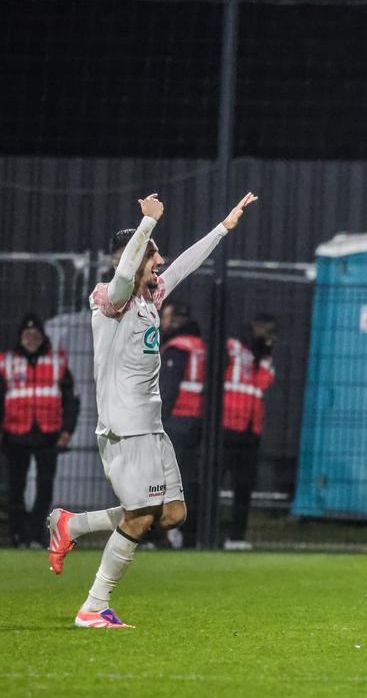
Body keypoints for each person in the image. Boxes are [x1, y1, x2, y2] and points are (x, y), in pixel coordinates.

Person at [44, 191, 257, 628]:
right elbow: (124, 276)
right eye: (153, 256)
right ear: (136, 256)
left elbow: (183, 266)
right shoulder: (110, 297)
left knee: (173, 515)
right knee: (141, 516)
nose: (160, 263)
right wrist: (146, 225)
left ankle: (72, 525)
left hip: (152, 426)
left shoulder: (149, 299)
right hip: (124, 427)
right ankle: (93, 607)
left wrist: (223, 226)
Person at [1, 313, 79, 547]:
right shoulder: (7, 361)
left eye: (36, 334)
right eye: (27, 334)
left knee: (45, 488)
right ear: (20, 336)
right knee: (16, 487)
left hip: (48, 433)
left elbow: (70, 400)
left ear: (43, 337)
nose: (31, 338)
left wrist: (67, 430)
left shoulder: (57, 361)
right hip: (15, 432)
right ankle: (17, 535)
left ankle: (35, 534)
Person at [223, 313, 278, 551]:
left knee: (243, 486)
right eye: (266, 331)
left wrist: (265, 355)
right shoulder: (232, 347)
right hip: (226, 426)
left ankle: (236, 537)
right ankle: (196, 534)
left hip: (249, 428)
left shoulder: (262, 357)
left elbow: (263, 383)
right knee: (210, 482)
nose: (269, 338)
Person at [159, 311, 206, 548]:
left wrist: (157, 422)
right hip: (199, 422)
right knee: (191, 479)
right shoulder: (202, 347)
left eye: (166, 319)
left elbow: (167, 390)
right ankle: (191, 534)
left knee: (167, 480)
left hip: (177, 421)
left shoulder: (177, 348)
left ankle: (168, 531)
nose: (162, 323)